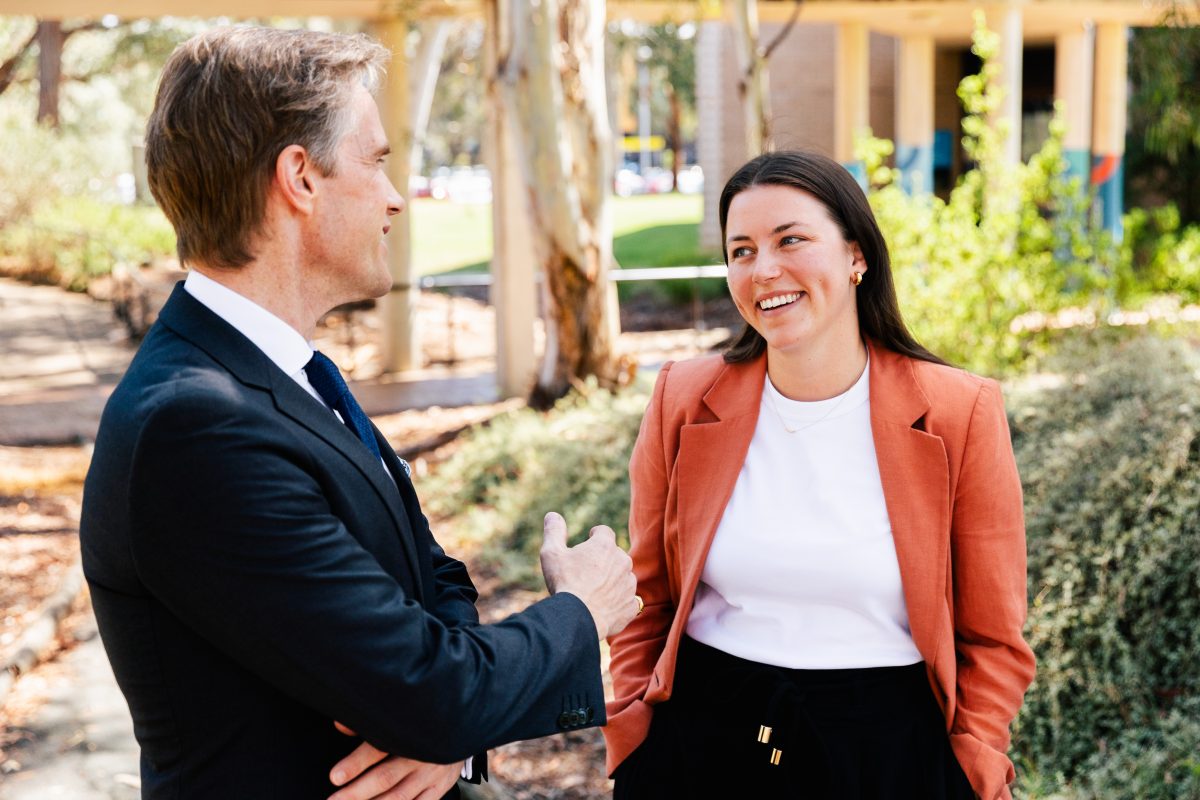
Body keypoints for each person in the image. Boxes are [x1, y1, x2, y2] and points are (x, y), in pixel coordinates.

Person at [79, 26, 639, 800]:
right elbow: (428, 685)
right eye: (376, 161)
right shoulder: (197, 427)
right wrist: (580, 610)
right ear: (299, 178)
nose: (396, 196)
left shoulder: (288, 372)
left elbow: (431, 576)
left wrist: (447, 729)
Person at [603, 151, 1036, 800]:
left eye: (791, 240)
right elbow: (646, 597)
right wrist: (632, 740)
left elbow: (993, 635)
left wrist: (971, 762)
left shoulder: (957, 413)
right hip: (702, 745)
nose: (764, 269)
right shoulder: (683, 398)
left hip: (889, 754)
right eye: (742, 250)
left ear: (856, 254)